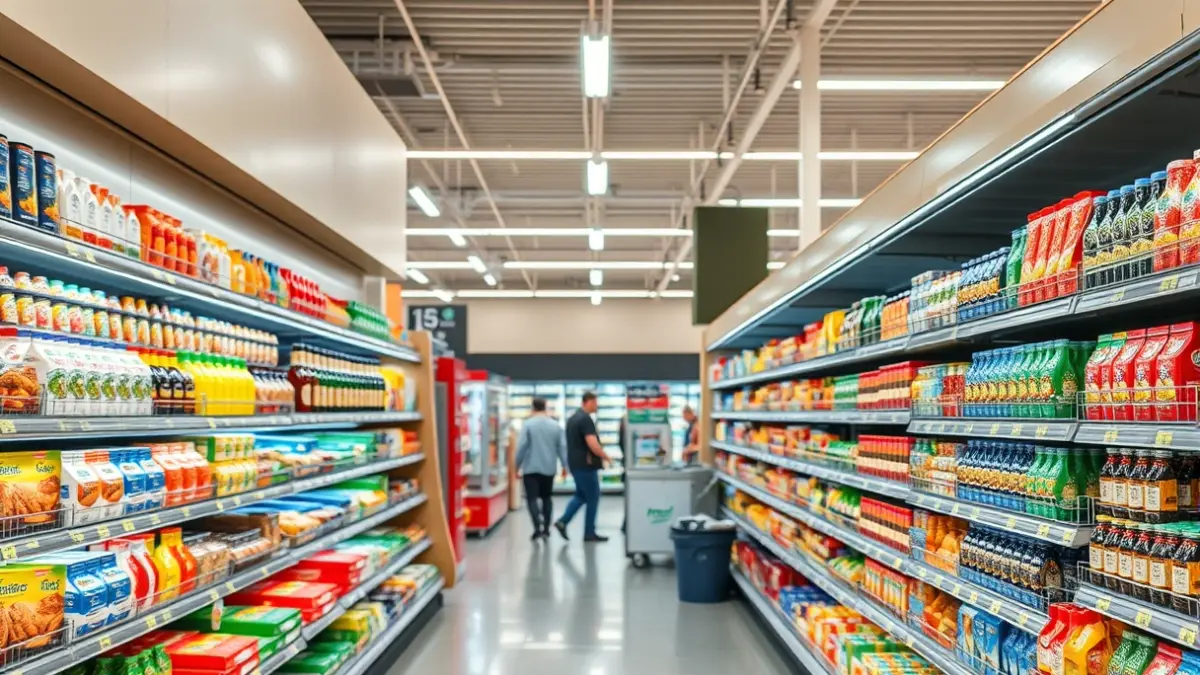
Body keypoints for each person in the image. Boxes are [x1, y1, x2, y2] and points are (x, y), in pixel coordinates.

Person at [554, 391, 611, 542]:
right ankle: (589, 533)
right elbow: (592, 443)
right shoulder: (586, 419)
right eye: (596, 402)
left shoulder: (572, 418)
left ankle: (562, 521)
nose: (597, 406)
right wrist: (605, 456)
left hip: (575, 463)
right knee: (593, 497)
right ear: (589, 402)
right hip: (586, 466)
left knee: (581, 495)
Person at [514, 397, 567, 540]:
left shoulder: (528, 425)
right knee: (547, 498)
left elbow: (521, 447)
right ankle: (547, 529)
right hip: (548, 468)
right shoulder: (555, 426)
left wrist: (516, 466)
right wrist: (564, 466)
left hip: (530, 469)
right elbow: (562, 447)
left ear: (532, 408)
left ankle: (537, 527)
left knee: (532, 499)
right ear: (545, 407)